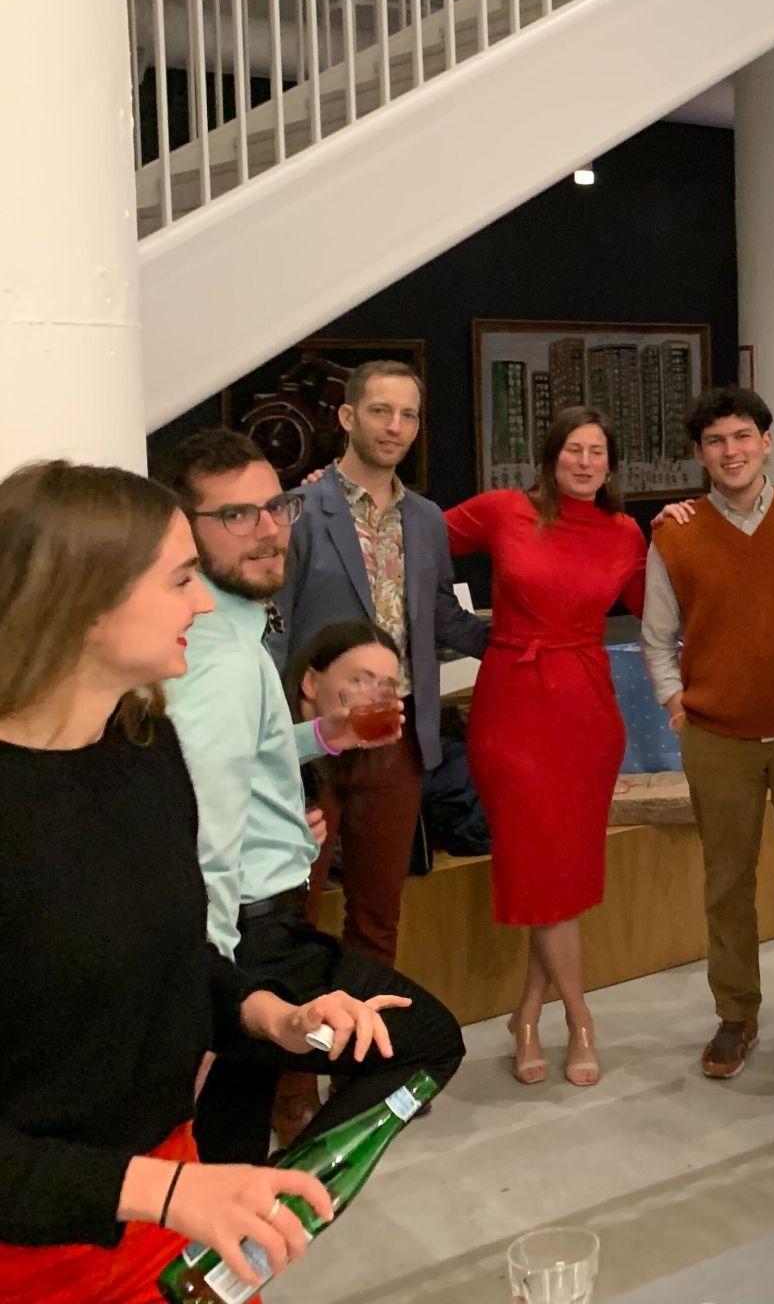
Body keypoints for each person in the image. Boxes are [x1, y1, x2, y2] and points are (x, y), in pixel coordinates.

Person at [0, 460, 410, 1303]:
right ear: (86, 598)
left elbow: (175, 961)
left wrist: (277, 1017)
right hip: (39, 1246)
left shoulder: (142, 751)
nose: (201, 604)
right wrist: (162, 1190)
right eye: (179, 579)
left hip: (163, 1197)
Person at [155, 431, 466, 1165]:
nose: (268, 530)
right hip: (244, 939)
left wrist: (323, 736)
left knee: (224, 1148)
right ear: (183, 529)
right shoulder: (221, 660)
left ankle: (247, 1216)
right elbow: (203, 837)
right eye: (237, 516)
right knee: (425, 1043)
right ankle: (295, 1201)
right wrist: (209, 995)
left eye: (276, 507)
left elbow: (236, 758)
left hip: (247, 929)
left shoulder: (226, 633)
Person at [640, 387, 774, 1080]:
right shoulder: (675, 534)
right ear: (700, 455)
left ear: (766, 443)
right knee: (726, 883)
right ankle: (736, 1013)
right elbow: (657, 635)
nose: (731, 451)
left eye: (742, 437)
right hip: (717, 738)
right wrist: (674, 700)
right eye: (716, 441)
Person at [445, 407, 648, 1087]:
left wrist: (687, 528)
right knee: (541, 870)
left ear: (610, 464)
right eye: (573, 450)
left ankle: (528, 1015)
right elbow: (410, 538)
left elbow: (660, 604)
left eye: (597, 452)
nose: (585, 463)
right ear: (551, 457)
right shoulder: (505, 510)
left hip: (586, 715)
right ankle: (581, 1019)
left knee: (559, 877)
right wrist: (460, 631)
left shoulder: (624, 533)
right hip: (513, 709)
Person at [278, 360, 491, 967]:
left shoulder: (425, 518)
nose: (394, 426)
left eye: (408, 415)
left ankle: (367, 1029)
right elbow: (274, 629)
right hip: (310, 745)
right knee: (291, 911)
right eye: (380, 411)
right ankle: (295, 1029)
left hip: (396, 737)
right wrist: (278, 730)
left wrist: (522, 645)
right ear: (348, 417)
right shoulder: (296, 512)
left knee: (377, 917)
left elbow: (441, 614)